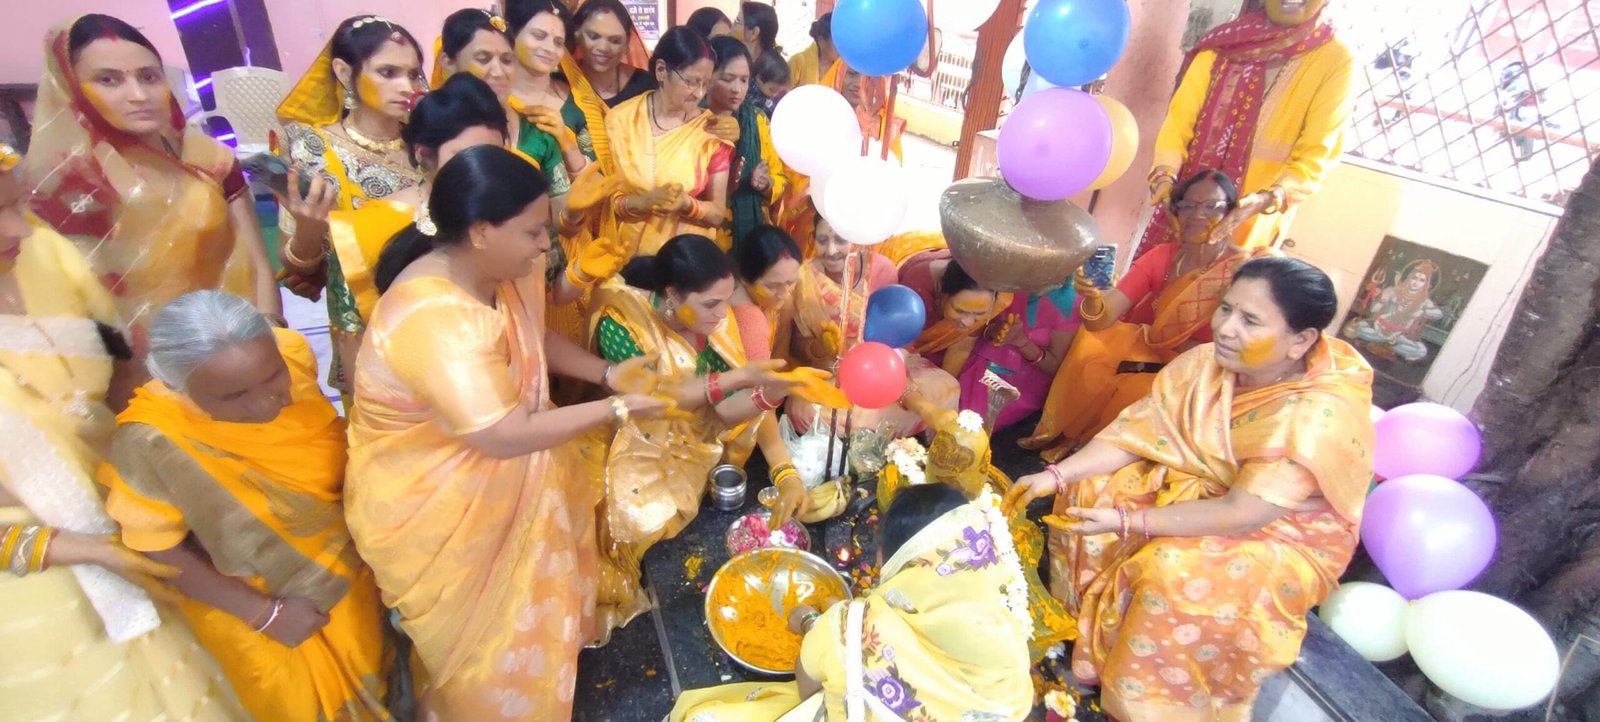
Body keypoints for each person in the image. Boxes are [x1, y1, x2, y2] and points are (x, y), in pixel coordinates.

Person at [346, 145, 665, 719]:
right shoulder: (434, 318)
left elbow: (531, 340)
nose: (547, 244)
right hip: (440, 510)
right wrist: (618, 409)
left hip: (509, 480)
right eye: (533, 231)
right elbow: (503, 433)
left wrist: (609, 373)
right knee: (479, 662)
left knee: (536, 622)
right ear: (479, 231)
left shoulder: (498, 271)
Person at [1006, 257, 1375, 722]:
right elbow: (1133, 433)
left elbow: (1242, 512)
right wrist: (1055, 476)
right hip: (1206, 495)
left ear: (1300, 340)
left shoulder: (1315, 417)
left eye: (1251, 320)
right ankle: (1089, 644)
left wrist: (1129, 521)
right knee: (1091, 487)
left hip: (1280, 534)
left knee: (1168, 567)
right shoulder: (1205, 365)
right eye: (1226, 309)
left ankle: (1148, 697)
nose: (1226, 328)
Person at [0, 143, 247, 722]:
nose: (21, 228)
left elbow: (119, 374)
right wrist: (87, 550)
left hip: (129, 516)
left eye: (16, 205)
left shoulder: (46, 257)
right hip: (38, 588)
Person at [101, 291, 392, 721]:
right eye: (232, 396)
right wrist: (265, 615)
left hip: (355, 583)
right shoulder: (151, 441)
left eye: (272, 376)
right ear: (176, 385)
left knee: (383, 680)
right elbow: (156, 547)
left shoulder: (294, 354)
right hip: (267, 616)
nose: (266, 402)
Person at [24, 14, 280, 368]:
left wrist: (273, 335)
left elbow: (257, 263)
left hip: (242, 348)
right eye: (108, 80)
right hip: (134, 373)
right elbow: (67, 313)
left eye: (148, 76)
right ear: (70, 87)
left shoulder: (208, 159)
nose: (138, 95)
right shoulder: (61, 187)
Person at [589, 234, 809, 639]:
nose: (723, 314)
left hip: (693, 452)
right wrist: (740, 376)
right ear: (672, 295)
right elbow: (656, 402)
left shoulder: (717, 326)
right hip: (633, 452)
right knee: (628, 544)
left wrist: (778, 403)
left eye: (727, 300)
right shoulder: (624, 324)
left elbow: (723, 412)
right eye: (711, 303)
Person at [668, 482, 1035, 721]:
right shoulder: (1010, 646)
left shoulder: (851, 627)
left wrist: (814, 621)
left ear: (894, 559)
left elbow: (808, 688)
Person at [1025, 171, 1269, 461]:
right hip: (1148, 347)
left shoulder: (1246, 269)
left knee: (1138, 390)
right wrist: (1092, 299)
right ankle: (1078, 436)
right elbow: (1101, 320)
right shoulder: (1163, 255)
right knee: (1089, 349)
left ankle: (1104, 454)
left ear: (1233, 213)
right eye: (1188, 205)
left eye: (1212, 206)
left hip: (1202, 363)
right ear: (1175, 212)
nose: (1197, 214)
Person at [275, 14, 426, 394]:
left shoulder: (428, 143)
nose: (406, 86)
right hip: (364, 326)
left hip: (435, 314)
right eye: (388, 72)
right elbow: (297, 272)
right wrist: (309, 228)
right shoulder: (314, 150)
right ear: (344, 73)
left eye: (413, 73)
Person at [1137, 0, 1354, 255]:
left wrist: (1267, 199)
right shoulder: (1222, 44)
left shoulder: (1335, 59)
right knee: (1157, 278)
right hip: (1188, 203)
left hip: (1252, 219)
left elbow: (1317, 156)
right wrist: (1164, 176)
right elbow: (1178, 125)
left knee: (1226, 289)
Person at [601, 27, 733, 255]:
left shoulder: (712, 131)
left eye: (706, 83)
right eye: (691, 81)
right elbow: (604, 202)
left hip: (687, 261)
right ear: (662, 70)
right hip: (625, 257)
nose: (699, 93)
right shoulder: (620, 120)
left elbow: (717, 213)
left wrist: (686, 204)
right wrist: (642, 203)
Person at [956, 283, 1081, 431]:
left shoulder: (1068, 301)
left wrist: (1021, 342)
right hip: (978, 357)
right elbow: (976, 325)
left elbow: (1055, 367)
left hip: (1021, 384)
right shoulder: (1005, 278)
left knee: (968, 424)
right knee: (940, 397)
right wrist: (993, 331)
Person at [706, 36, 787, 251]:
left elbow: (780, 178)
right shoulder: (694, 118)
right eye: (728, 78)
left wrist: (766, 183)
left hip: (753, 235)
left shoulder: (757, 120)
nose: (737, 89)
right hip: (705, 234)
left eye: (743, 80)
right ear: (707, 76)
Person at [503, 0, 588, 197]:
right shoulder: (494, 100)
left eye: (558, 42)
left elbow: (598, 178)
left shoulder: (577, 101)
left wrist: (567, 143)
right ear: (512, 33)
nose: (549, 48)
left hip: (573, 220)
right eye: (538, 36)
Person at [559, 0, 654, 168]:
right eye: (594, 36)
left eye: (615, 41)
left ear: (627, 44)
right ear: (577, 33)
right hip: (583, 188)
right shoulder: (562, 85)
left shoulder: (645, 85)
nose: (603, 47)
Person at [431, 8, 515, 97]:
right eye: (483, 59)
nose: (498, 73)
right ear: (449, 64)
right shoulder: (430, 110)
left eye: (507, 60)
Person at [786, 13, 837, 88]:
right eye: (836, 43)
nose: (840, 48)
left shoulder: (841, 67)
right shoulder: (798, 61)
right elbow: (783, 94)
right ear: (821, 41)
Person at [749, 50, 792, 115]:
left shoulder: (772, 94)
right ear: (759, 79)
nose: (775, 95)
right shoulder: (752, 95)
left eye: (779, 91)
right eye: (772, 90)